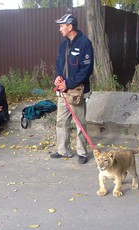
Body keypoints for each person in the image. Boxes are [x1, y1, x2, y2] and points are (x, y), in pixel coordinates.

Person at [50, 14, 94, 164]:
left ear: (70, 27)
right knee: (61, 121)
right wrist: (57, 76)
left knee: (79, 122)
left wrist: (68, 83)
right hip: (63, 91)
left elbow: (86, 69)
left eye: (62, 25)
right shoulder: (63, 44)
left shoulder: (85, 43)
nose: (60, 28)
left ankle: (82, 153)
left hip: (76, 91)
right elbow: (58, 63)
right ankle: (63, 150)